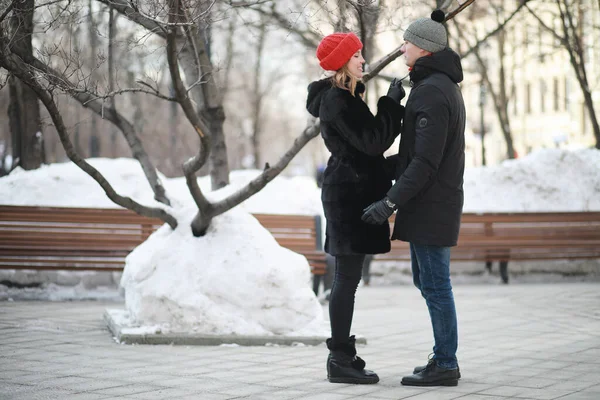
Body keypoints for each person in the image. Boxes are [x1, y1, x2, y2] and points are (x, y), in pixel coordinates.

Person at [361, 9, 466, 387]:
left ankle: (447, 364)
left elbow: (425, 162)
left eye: (407, 41)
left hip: (431, 203)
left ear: (422, 47)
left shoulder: (435, 93)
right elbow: (414, 155)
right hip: (430, 202)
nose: (402, 47)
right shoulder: (433, 87)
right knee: (428, 282)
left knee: (436, 285)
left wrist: (389, 202)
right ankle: (442, 356)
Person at [306, 31, 405, 384]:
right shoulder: (337, 101)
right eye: (357, 56)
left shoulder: (344, 97)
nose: (363, 60)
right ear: (342, 63)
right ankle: (339, 360)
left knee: (348, 279)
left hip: (349, 191)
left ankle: (343, 355)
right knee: (346, 279)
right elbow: (373, 141)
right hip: (348, 198)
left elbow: (365, 153)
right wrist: (391, 104)